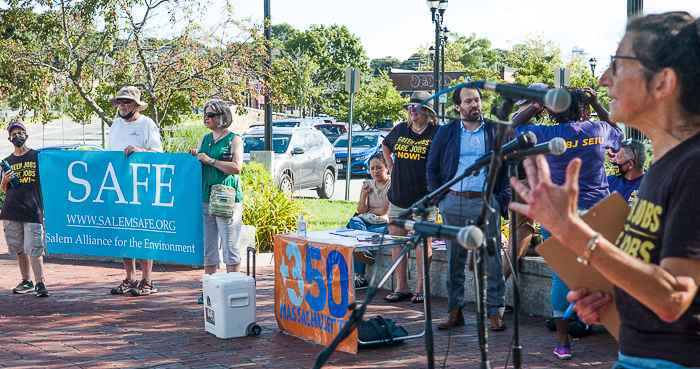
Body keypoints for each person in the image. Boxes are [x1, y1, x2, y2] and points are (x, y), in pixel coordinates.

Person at [510, 12, 700, 368]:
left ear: (663, 83)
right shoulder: (668, 164)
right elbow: (657, 277)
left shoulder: (692, 166)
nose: (603, 78)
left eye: (618, 65)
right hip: (637, 353)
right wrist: (616, 296)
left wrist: (572, 231)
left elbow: (674, 296)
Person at [512, 86, 622, 359]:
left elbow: (512, 126)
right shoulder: (597, 129)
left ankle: (563, 343)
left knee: (561, 276)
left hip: (560, 213)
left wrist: (539, 104)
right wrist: (597, 104)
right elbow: (618, 133)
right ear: (583, 107)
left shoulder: (546, 134)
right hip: (599, 209)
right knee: (612, 270)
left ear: (554, 108)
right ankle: (623, 337)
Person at [426, 86, 511, 331]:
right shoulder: (447, 132)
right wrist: (441, 199)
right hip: (453, 202)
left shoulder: (495, 130)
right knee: (454, 261)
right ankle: (455, 311)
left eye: (477, 99)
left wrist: (500, 201)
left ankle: (496, 313)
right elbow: (431, 168)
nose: (475, 104)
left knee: (492, 259)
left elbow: (506, 170)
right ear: (457, 106)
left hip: (486, 203)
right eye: (468, 101)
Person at [381, 90, 440, 304]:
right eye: (410, 107)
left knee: (424, 241)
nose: (412, 110)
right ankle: (401, 286)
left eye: (416, 106)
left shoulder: (436, 133)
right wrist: (389, 163)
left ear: (427, 111)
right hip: (398, 196)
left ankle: (421, 287)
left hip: (425, 198)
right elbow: (386, 145)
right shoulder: (400, 130)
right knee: (397, 240)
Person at [106, 86, 164, 296]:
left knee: (142, 232)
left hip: (142, 188)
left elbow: (158, 154)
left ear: (136, 105)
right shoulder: (115, 125)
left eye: (126, 102)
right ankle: (130, 278)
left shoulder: (147, 124)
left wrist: (140, 151)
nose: (122, 105)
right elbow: (109, 155)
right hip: (119, 187)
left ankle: (147, 280)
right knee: (123, 232)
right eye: (120, 101)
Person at [189, 100, 244, 304]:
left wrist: (211, 161)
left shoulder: (234, 139)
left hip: (226, 198)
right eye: (204, 114)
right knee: (209, 247)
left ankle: (232, 287)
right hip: (205, 198)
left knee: (230, 245)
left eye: (210, 114)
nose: (206, 118)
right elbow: (199, 161)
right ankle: (209, 289)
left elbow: (237, 167)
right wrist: (196, 155)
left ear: (222, 116)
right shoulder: (205, 138)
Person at [503, 83, 549, 283]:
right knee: (520, 238)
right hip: (524, 182)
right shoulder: (529, 128)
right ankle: (492, 292)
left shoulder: (516, 122)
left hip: (515, 181)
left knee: (520, 234)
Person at [1, 122, 49, 297]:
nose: (17, 137)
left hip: (32, 210)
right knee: (20, 249)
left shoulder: (37, 156)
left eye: (20, 133)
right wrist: (5, 180)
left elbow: (51, 176)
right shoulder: (7, 162)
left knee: (35, 248)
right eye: (14, 134)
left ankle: (40, 283)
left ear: (26, 136)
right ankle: (26, 280)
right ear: (9, 139)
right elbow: (4, 190)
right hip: (11, 211)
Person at [347, 152, 391, 290]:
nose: (375, 171)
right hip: (367, 221)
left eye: (379, 167)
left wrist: (369, 208)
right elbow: (361, 211)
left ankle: (359, 276)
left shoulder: (392, 184)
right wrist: (364, 196)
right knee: (355, 222)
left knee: (361, 234)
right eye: (372, 168)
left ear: (387, 168)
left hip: (385, 223)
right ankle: (364, 252)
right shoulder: (367, 184)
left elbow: (384, 210)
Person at [607, 138, 646, 205]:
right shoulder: (608, 181)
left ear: (630, 164)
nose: (614, 160)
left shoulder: (649, 186)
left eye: (618, 157)